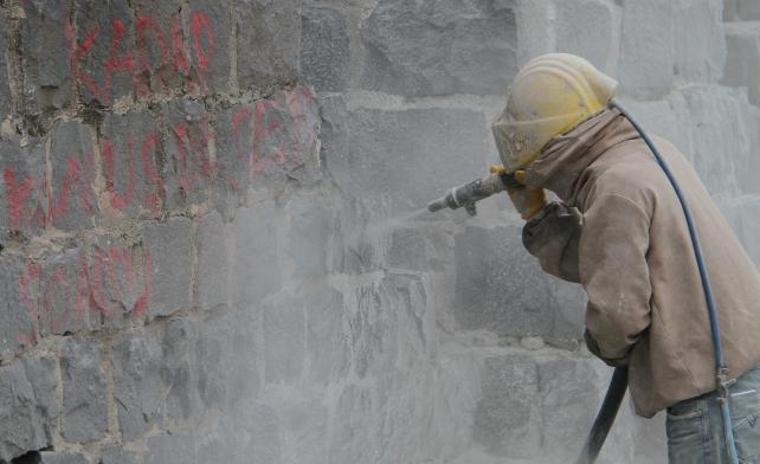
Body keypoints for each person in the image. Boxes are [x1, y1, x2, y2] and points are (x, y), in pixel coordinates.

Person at [492, 53, 760, 463]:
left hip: (717, 398)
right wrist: (541, 217)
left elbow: (618, 313)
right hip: (741, 382)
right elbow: (613, 256)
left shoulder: (616, 186)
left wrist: (608, 345)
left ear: (550, 150)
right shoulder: (647, 155)